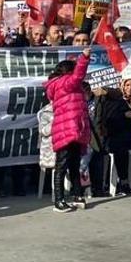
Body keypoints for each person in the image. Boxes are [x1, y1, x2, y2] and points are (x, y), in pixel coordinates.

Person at [45, 48, 92, 212]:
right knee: (61, 165)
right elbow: (78, 75)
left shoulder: (67, 85)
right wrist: (84, 58)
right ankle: (58, 200)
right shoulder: (65, 83)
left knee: (74, 164)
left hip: (74, 129)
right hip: (67, 130)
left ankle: (78, 195)